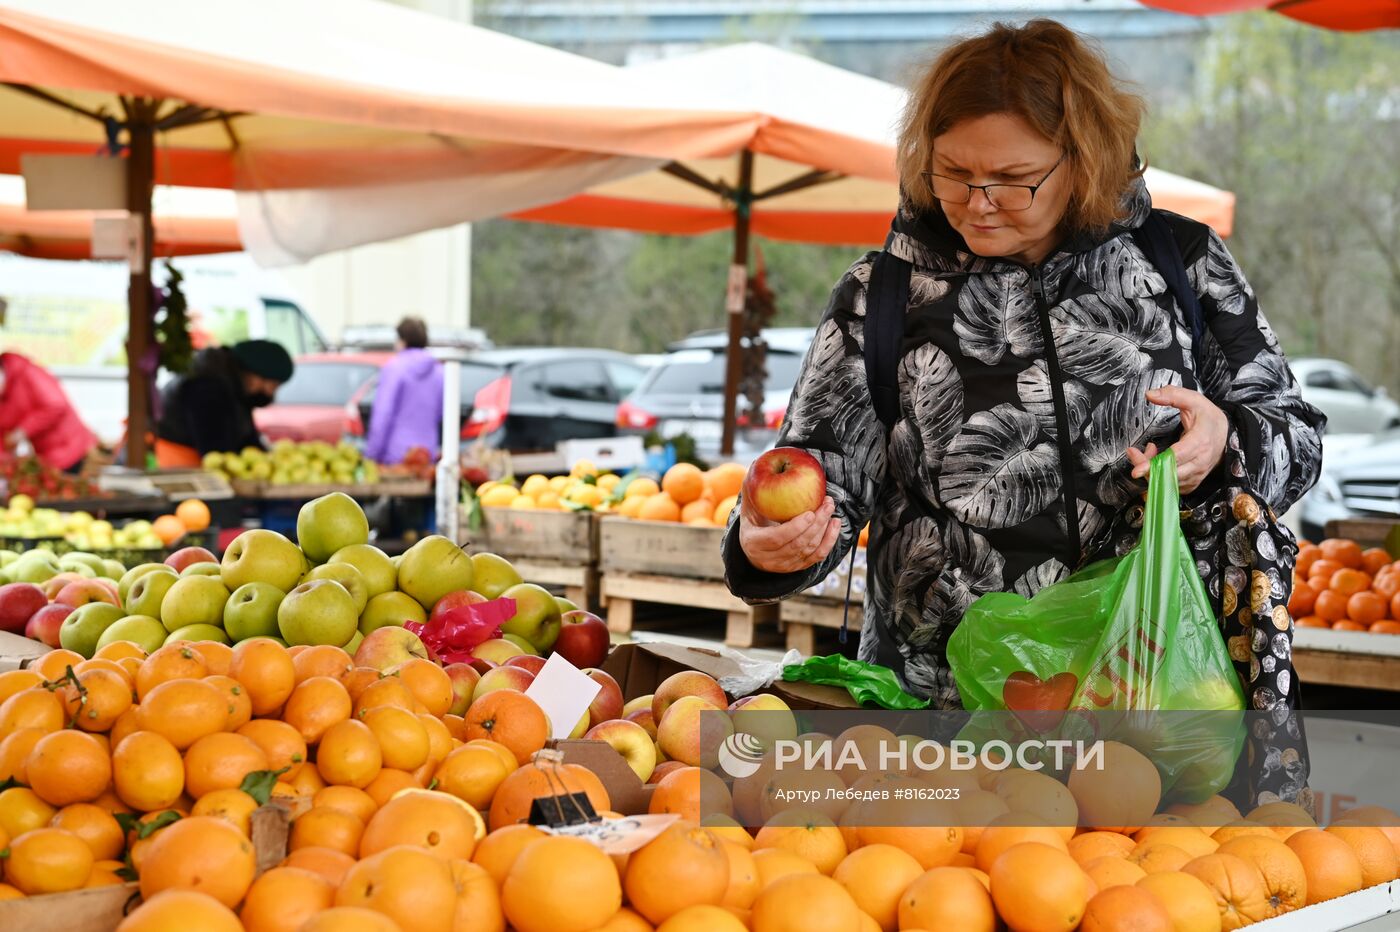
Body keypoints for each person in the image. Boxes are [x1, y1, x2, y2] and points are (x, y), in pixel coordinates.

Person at [722, 20, 1325, 809]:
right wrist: (769, 548)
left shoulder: (1182, 263)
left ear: (1084, 158)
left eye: (1013, 178)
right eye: (953, 173)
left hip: (1158, 706)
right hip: (943, 719)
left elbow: (1294, 431)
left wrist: (1226, 440)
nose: (978, 204)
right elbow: (818, 474)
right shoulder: (882, 296)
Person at [154, 338, 294, 467]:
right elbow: (214, 448)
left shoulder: (236, 383)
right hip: (182, 457)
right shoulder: (207, 386)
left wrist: (267, 459)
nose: (271, 393)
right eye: (273, 385)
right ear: (254, 376)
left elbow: (247, 437)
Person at [364, 317, 445, 465]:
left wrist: (371, 455)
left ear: (403, 340)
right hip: (427, 454)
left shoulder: (394, 368)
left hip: (395, 456)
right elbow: (441, 413)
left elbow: (383, 414)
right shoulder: (439, 371)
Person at [0, 351, 96, 472]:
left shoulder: (28, 373)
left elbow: (56, 405)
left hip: (71, 448)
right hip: (47, 457)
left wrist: (22, 431)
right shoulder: (3, 396)